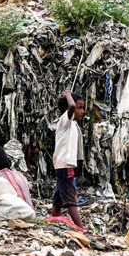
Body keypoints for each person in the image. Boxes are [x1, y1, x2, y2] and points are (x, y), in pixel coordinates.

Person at [50, 90, 84, 228]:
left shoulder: (72, 124)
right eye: (79, 108)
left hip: (63, 164)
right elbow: (70, 107)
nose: (82, 111)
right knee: (70, 197)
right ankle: (80, 227)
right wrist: (68, 94)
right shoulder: (65, 120)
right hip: (65, 164)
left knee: (59, 195)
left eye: (83, 108)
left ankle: (54, 218)